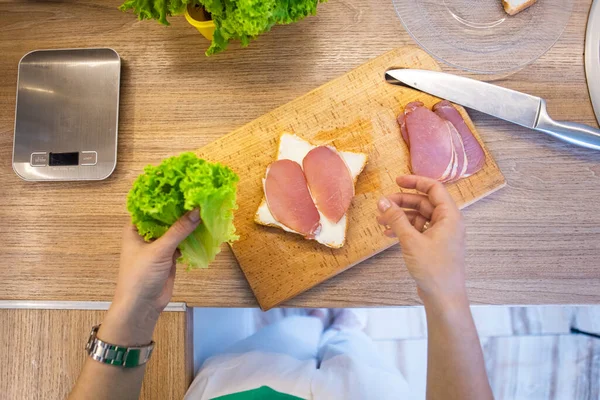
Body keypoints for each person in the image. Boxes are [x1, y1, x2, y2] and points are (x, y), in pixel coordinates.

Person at [68, 175, 494, 400]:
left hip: (238, 390)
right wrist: (445, 290)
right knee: (355, 355)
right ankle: (343, 330)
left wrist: (136, 309)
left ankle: (317, 325)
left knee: (280, 339)